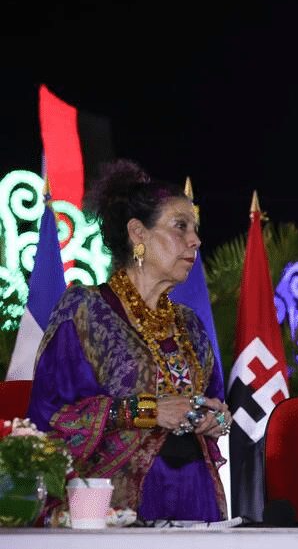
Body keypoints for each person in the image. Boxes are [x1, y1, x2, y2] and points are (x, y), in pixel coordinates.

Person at [26, 160, 231, 522]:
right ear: (138, 233)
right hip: (115, 503)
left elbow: (213, 403)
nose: (195, 240)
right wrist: (148, 411)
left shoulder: (191, 325)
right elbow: (52, 416)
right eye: (180, 226)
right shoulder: (86, 311)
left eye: (195, 229)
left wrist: (216, 418)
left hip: (196, 495)